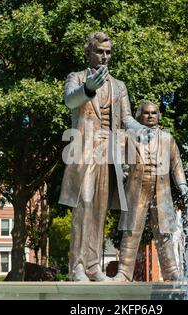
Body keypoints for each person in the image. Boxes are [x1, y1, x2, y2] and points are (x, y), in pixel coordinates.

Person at [59, 32, 149, 281]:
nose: (105, 56)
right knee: (84, 204)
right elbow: (69, 100)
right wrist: (88, 88)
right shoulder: (76, 78)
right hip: (85, 149)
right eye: (100, 51)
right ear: (88, 52)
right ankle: (76, 266)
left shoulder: (119, 86)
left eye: (108, 52)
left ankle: (92, 266)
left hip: (109, 153)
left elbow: (127, 118)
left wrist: (142, 129)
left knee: (99, 210)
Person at [113, 100, 188, 282]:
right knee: (131, 230)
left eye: (154, 113)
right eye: (146, 113)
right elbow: (116, 157)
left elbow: (176, 164)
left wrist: (182, 185)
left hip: (161, 189)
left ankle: (171, 272)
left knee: (165, 232)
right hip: (136, 187)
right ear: (139, 116)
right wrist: (121, 171)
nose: (150, 116)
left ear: (158, 116)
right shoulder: (128, 136)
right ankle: (124, 272)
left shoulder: (167, 138)